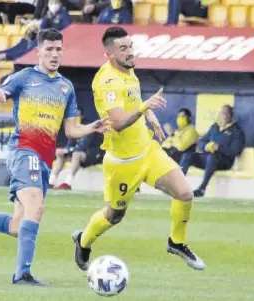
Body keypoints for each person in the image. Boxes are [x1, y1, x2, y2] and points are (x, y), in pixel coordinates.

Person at [0, 28, 110, 286]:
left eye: (58, 49)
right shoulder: (24, 78)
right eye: (49, 49)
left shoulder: (66, 87)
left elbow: (71, 130)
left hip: (45, 158)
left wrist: (92, 127)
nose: (55, 54)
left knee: (20, 226)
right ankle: (22, 275)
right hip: (24, 150)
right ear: (39, 51)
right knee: (36, 208)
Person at [72, 26, 205, 273]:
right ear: (110, 54)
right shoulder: (107, 82)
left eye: (131, 46)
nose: (130, 51)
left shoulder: (129, 70)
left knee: (185, 194)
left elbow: (134, 102)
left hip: (148, 151)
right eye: (123, 48)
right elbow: (120, 123)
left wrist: (150, 115)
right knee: (114, 216)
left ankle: (176, 242)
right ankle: (83, 241)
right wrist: (145, 107)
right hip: (122, 162)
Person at [180, 105, 245, 197]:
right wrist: (205, 146)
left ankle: (202, 188)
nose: (225, 116)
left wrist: (219, 148)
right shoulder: (215, 127)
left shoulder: (236, 131)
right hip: (208, 158)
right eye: (223, 113)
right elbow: (201, 141)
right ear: (220, 114)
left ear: (231, 115)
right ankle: (177, 185)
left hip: (225, 162)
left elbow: (236, 151)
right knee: (188, 155)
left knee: (212, 157)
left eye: (227, 113)